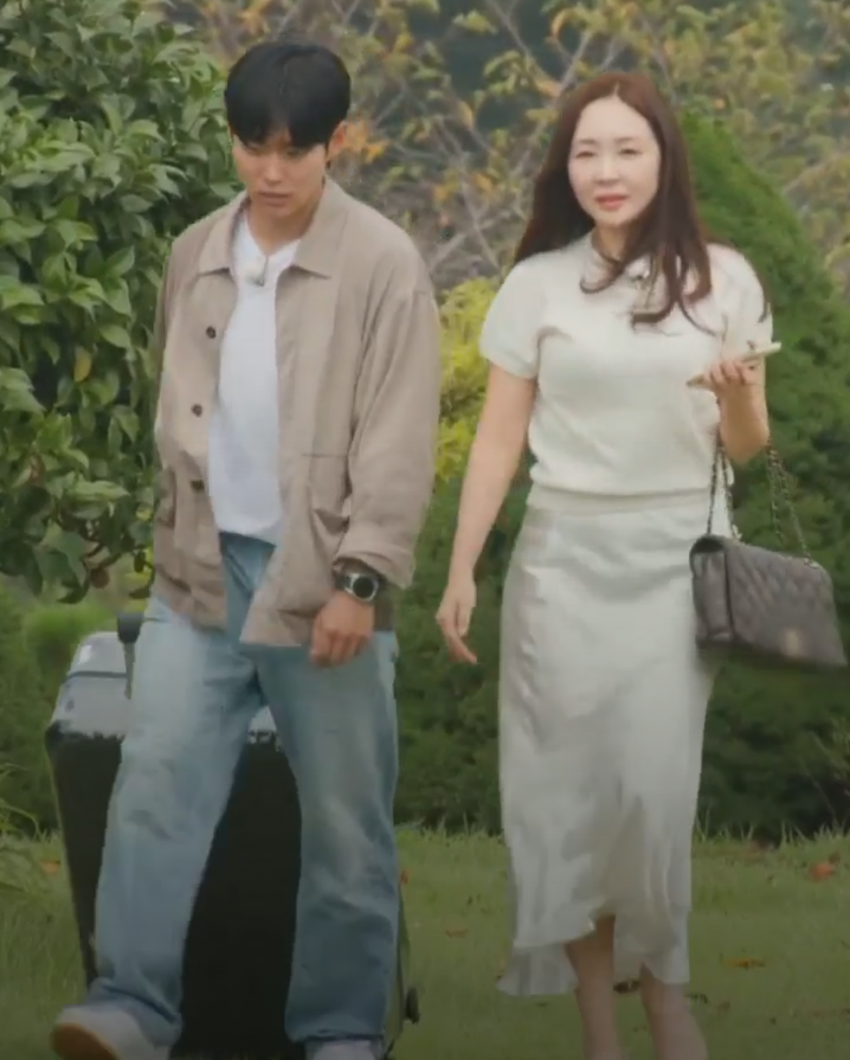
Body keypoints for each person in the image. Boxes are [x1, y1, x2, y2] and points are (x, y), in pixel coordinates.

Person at [50, 37, 441, 1060]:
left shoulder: (383, 263)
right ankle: (130, 1006)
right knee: (153, 786)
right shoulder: (196, 250)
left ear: (336, 142)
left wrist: (362, 578)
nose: (270, 170)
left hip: (325, 582)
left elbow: (399, 435)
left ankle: (343, 1029)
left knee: (346, 823)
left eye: (292, 150)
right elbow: (175, 399)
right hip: (200, 574)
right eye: (251, 146)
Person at [436, 71, 772, 1060]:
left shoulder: (724, 279)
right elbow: (499, 440)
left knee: (649, 793)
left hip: (674, 564)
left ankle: (666, 994)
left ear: (664, 160)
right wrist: (461, 567)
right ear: (564, 167)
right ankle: (599, 1030)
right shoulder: (536, 285)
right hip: (561, 568)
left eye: (627, 149)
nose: (606, 170)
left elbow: (748, 445)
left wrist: (736, 391)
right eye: (587, 151)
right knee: (566, 800)